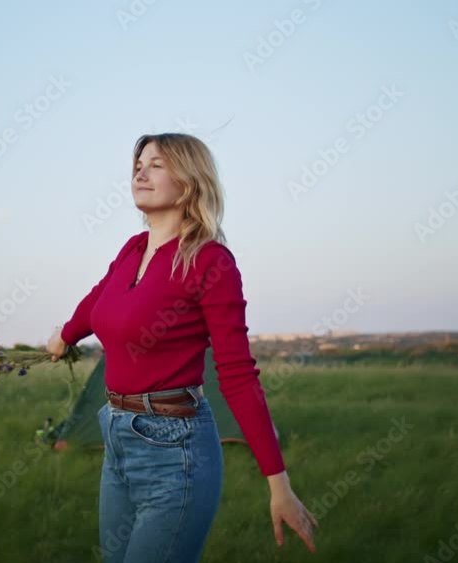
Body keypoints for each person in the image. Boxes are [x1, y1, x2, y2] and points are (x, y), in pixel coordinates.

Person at [46, 133, 317, 562]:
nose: (140, 170)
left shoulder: (210, 262)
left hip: (176, 452)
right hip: (117, 435)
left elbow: (238, 375)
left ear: (189, 181)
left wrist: (278, 483)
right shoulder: (133, 249)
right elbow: (98, 299)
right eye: (139, 162)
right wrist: (66, 335)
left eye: (156, 163)